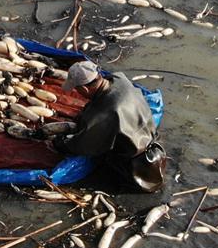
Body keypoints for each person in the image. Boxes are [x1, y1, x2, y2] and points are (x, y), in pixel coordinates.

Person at [51, 60, 166, 192]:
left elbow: (83, 146)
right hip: (155, 146)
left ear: (84, 89)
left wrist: (59, 143)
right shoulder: (120, 79)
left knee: (107, 177)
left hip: (139, 167)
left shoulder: (105, 114)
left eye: (77, 90)